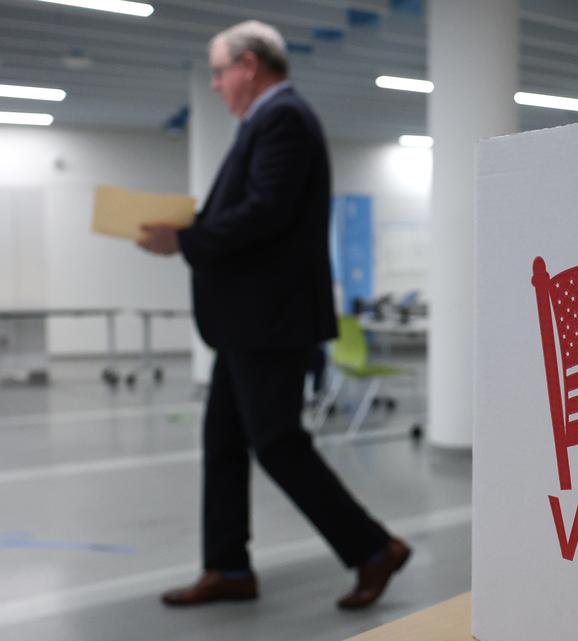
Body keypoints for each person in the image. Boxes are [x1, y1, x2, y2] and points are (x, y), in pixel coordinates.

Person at [137, 20, 410, 610]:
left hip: (270, 320)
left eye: (219, 72)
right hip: (250, 323)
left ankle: (373, 549)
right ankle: (228, 566)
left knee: (279, 442)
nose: (214, 85)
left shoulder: (283, 118)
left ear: (249, 66)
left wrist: (185, 240)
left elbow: (265, 212)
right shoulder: (265, 123)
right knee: (225, 445)